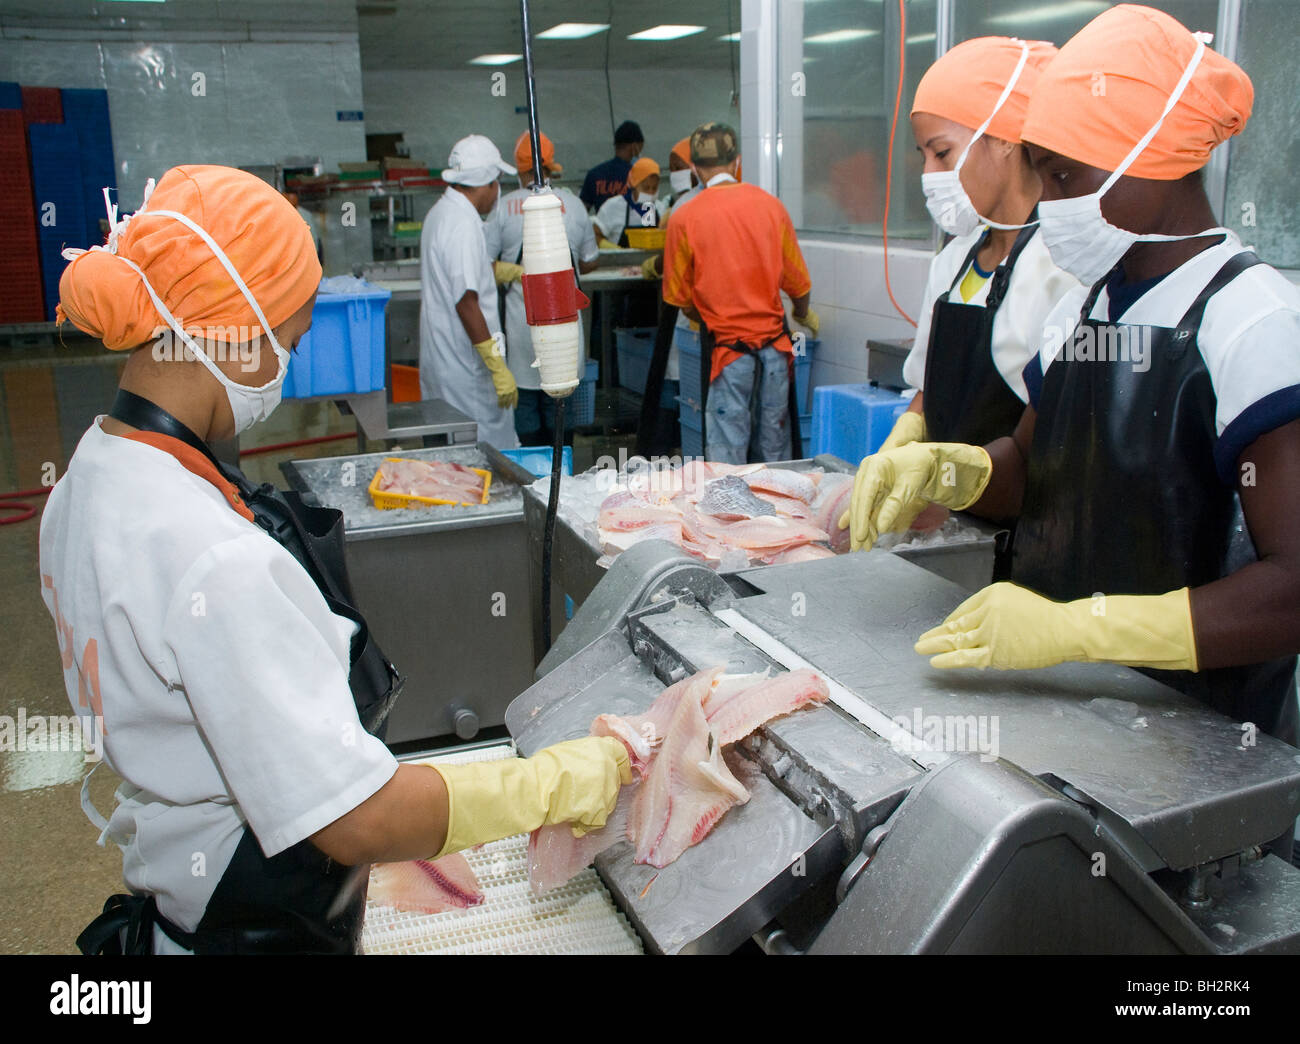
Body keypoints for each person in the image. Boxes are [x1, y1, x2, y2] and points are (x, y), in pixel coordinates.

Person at [47, 165, 630, 954]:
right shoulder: (213, 560)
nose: (285, 370)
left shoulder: (91, 472)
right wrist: (553, 783)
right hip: (253, 925)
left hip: (181, 903)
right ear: (234, 328)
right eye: (286, 341)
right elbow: (358, 820)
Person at [841, 7, 1300, 822]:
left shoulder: (1253, 321)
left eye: (1064, 177)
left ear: (1151, 157)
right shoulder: (1088, 306)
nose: (1049, 205)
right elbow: (1028, 471)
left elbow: (1291, 589)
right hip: (1068, 717)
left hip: (1199, 750)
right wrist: (947, 468)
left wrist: (1080, 629)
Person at [889, 36, 1077, 457]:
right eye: (923, 155)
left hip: (1019, 514)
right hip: (944, 513)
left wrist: (957, 478)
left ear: (1005, 139)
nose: (928, 174)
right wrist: (899, 448)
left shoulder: (1062, 268)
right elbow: (925, 391)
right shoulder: (954, 260)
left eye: (942, 152)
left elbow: (1060, 432)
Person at [662, 122, 819, 463]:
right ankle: (778, 515)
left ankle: (729, 517)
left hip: (727, 357)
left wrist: (704, 313)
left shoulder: (684, 217)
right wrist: (803, 313)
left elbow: (679, 298)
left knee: (727, 459)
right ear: (737, 163)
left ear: (693, 168)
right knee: (776, 455)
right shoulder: (770, 207)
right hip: (776, 354)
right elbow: (799, 285)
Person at [485, 131, 598, 445]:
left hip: (523, 331)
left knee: (527, 422)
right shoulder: (574, 205)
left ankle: (535, 479)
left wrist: (511, 269)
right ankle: (563, 484)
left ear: (521, 171)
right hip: (564, 330)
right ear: (551, 168)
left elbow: (482, 266)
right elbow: (590, 261)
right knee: (561, 415)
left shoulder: (502, 209)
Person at [419, 134, 520, 450]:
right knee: (484, 458)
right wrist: (497, 367)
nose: (497, 191)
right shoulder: (462, 223)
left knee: (450, 459)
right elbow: (466, 302)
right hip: (467, 373)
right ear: (488, 182)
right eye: (497, 182)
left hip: (443, 364)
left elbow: (462, 274)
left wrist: (504, 271)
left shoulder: (441, 213)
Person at [593, 156, 667, 248]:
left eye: (654, 188)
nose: (650, 192)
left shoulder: (660, 208)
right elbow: (594, 234)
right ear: (634, 185)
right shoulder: (613, 206)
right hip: (621, 261)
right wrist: (610, 248)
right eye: (646, 188)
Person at [580, 119, 644, 211]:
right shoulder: (638, 176)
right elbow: (647, 213)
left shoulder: (593, 174)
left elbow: (582, 210)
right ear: (635, 146)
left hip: (602, 224)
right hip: (632, 225)